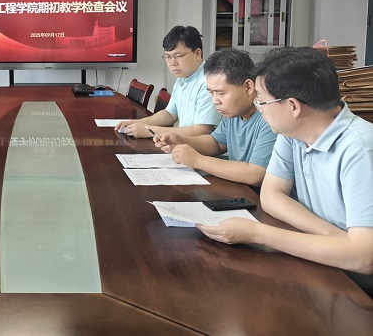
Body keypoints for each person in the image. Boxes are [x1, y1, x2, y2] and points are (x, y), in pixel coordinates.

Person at [197, 47, 373, 283]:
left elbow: (363, 258)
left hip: (354, 285)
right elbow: (271, 195)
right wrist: (332, 235)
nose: (259, 108)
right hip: (317, 261)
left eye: (262, 101)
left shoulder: (361, 149)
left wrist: (259, 233)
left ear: (293, 106)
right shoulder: (292, 132)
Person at [154, 48, 276, 186]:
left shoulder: (269, 118)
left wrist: (197, 160)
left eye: (221, 93)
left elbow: (255, 174)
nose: (215, 101)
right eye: (211, 93)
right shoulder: (233, 112)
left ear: (248, 87)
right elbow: (217, 143)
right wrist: (181, 140)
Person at [115, 25, 221, 138]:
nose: (172, 63)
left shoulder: (209, 82)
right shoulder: (182, 78)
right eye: (168, 57)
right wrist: (139, 123)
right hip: (185, 143)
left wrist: (150, 130)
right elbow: (170, 114)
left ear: (197, 54)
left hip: (201, 147)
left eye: (178, 56)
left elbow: (200, 131)